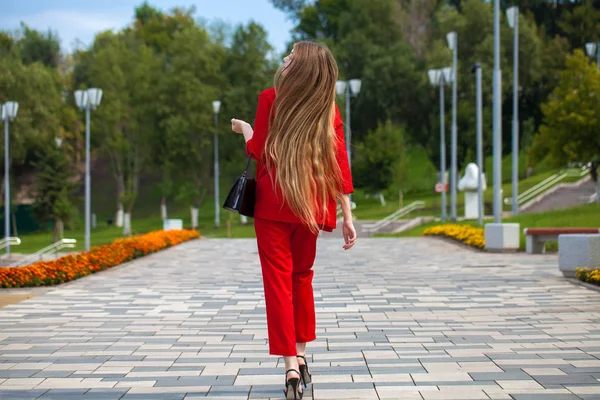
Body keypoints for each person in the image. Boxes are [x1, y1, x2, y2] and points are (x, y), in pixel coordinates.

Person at [231, 40, 357, 400]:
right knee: (301, 278)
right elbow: (339, 167)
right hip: (311, 206)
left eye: (291, 57)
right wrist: (347, 216)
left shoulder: (270, 99)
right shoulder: (327, 110)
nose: (284, 60)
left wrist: (245, 131)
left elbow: (260, 153)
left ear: (302, 68)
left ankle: (289, 365)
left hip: (272, 206)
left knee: (278, 284)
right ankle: (301, 355)